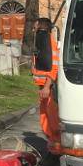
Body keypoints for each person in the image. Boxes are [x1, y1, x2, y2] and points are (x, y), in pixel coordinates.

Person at [32, 17, 61, 154]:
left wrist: (47, 86)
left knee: (52, 120)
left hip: (48, 88)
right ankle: (51, 148)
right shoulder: (42, 41)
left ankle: (56, 152)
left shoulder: (49, 43)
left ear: (40, 26)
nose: (33, 28)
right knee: (45, 118)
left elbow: (54, 67)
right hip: (43, 87)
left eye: (35, 25)